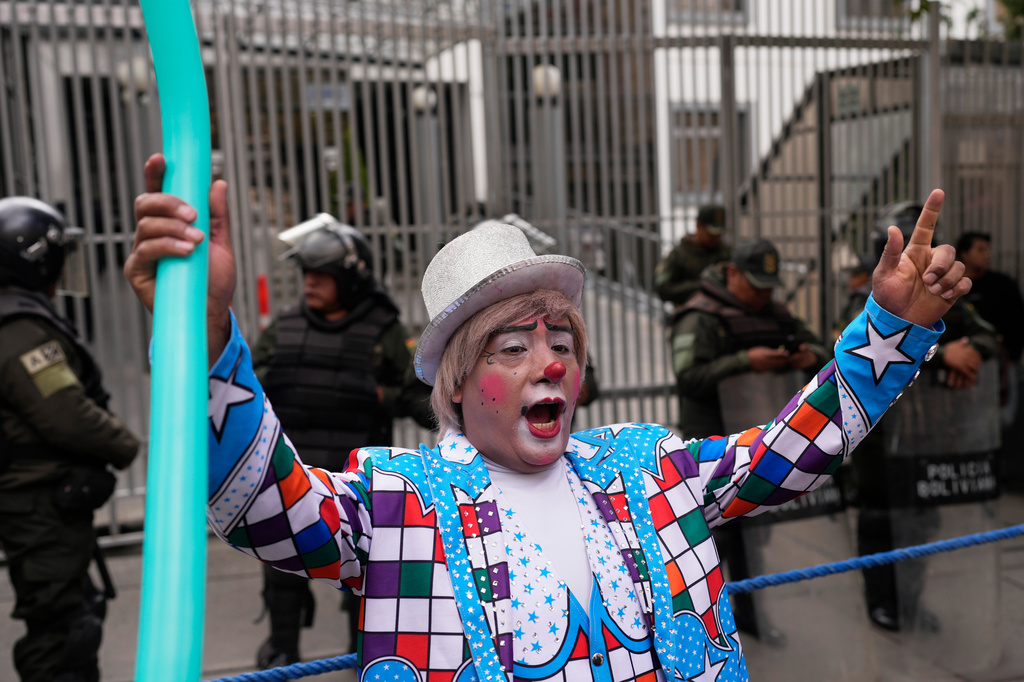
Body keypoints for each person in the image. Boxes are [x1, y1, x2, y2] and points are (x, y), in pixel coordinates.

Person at [126, 154, 966, 681]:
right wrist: (201, 343)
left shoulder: (649, 469)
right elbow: (264, 507)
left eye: (560, 336)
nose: (552, 361)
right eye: (511, 348)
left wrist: (893, 330)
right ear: (454, 387)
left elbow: (794, 452)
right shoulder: (396, 502)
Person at [250, 214, 435, 668]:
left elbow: (421, 400)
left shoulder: (382, 329)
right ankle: (282, 653)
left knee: (365, 581)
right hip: (292, 476)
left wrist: (380, 396)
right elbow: (248, 390)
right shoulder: (286, 327)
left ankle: (367, 662)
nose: (309, 283)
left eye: (321, 276)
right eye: (306, 275)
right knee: (281, 574)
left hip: (355, 485)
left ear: (349, 279)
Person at [0, 197, 140, 682]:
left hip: (37, 502)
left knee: (67, 620)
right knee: (62, 632)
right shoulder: (20, 329)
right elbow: (66, 414)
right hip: (38, 505)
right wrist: (127, 445)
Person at [668, 238, 829, 644]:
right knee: (710, 547)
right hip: (715, 453)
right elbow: (688, 377)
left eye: (769, 286)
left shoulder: (773, 312)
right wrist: (744, 362)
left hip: (761, 446)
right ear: (732, 272)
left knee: (755, 539)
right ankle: (699, 627)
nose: (765, 295)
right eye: (756, 284)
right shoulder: (700, 316)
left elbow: (823, 352)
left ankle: (751, 617)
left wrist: (806, 357)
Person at [654, 204, 730, 310]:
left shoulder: (726, 252)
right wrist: (702, 284)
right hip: (690, 314)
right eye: (711, 233)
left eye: (719, 234)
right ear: (698, 226)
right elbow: (663, 289)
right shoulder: (679, 254)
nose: (716, 238)